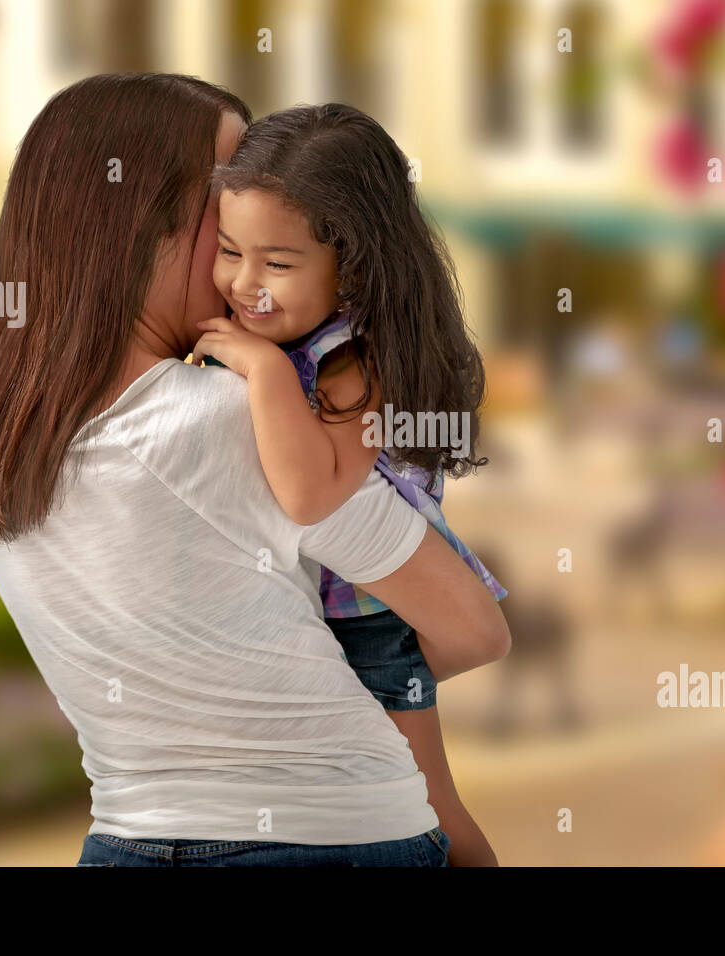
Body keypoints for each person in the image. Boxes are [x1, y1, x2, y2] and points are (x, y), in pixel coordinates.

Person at [0, 73, 509, 867]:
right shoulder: (245, 414)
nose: (261, 200)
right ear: (147, 222)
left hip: (126, 840)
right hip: (333, 834)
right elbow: (473, 628)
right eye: (228, 196)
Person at [194, 104, 504, 865]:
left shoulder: (353, 359)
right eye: (229, 251)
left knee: (427, 806)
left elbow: (311, 494)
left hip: (370, 626)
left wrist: (263, 370)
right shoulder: (287, 332)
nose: (243, 282)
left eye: (278, 262)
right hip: (302, 617)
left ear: (354, 267)